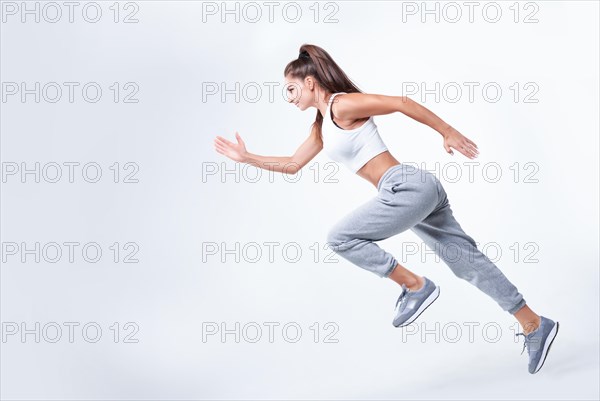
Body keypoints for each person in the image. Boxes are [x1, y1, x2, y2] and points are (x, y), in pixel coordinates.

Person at [213, 44, 559, 374]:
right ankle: (534, 323)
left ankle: (414, 285)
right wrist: (247, 158)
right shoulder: (322, 125)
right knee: (465, 262)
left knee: (341, 237)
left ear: (308, 82)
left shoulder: (341, 105)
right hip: (411, 192)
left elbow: (400, 102)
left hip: (405, 187)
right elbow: (292, 164)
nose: (288, 98)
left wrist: (448, 131)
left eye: (290, 89)